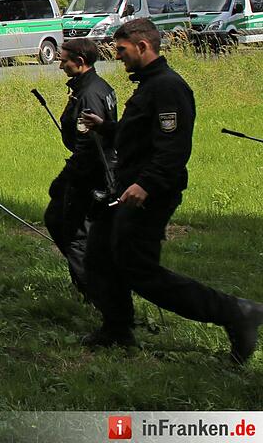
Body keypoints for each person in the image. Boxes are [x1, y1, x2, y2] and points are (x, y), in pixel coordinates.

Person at [81, 18, 263, 363]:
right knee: (100, 256)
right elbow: (139, 134)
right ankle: (117, 328)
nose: (116, 56)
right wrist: (107, 128)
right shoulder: (148, 85)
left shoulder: (168, 87)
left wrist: (146, 185)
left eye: (121, 50)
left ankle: (236, 312)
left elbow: (174, 148)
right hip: (126, 188)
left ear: (142, 46)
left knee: (140, 271)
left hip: (149, 192)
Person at [44, 37, 117, 296]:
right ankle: (91, 286)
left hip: (90, 172)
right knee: (55, 218)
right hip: (88, 167)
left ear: (80, 62)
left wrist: (70, 179)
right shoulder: (94, 86)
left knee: (74, 234)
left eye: (63, 60)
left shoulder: (90, 94)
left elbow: (89, 144)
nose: (60, 65)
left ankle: (96, 293)